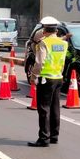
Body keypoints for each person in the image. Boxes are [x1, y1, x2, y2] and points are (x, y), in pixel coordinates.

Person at [28, 16, 68, 147]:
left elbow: (39, 63)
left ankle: (44, 138)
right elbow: (62, 62)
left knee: (44, 109)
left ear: (44, 30)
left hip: (46, 78)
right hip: (58, 78)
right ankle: (54, 136)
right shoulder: (63, 43)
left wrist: (33, 77)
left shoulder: (43, 43)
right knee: (55, 107)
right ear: (56, 30)